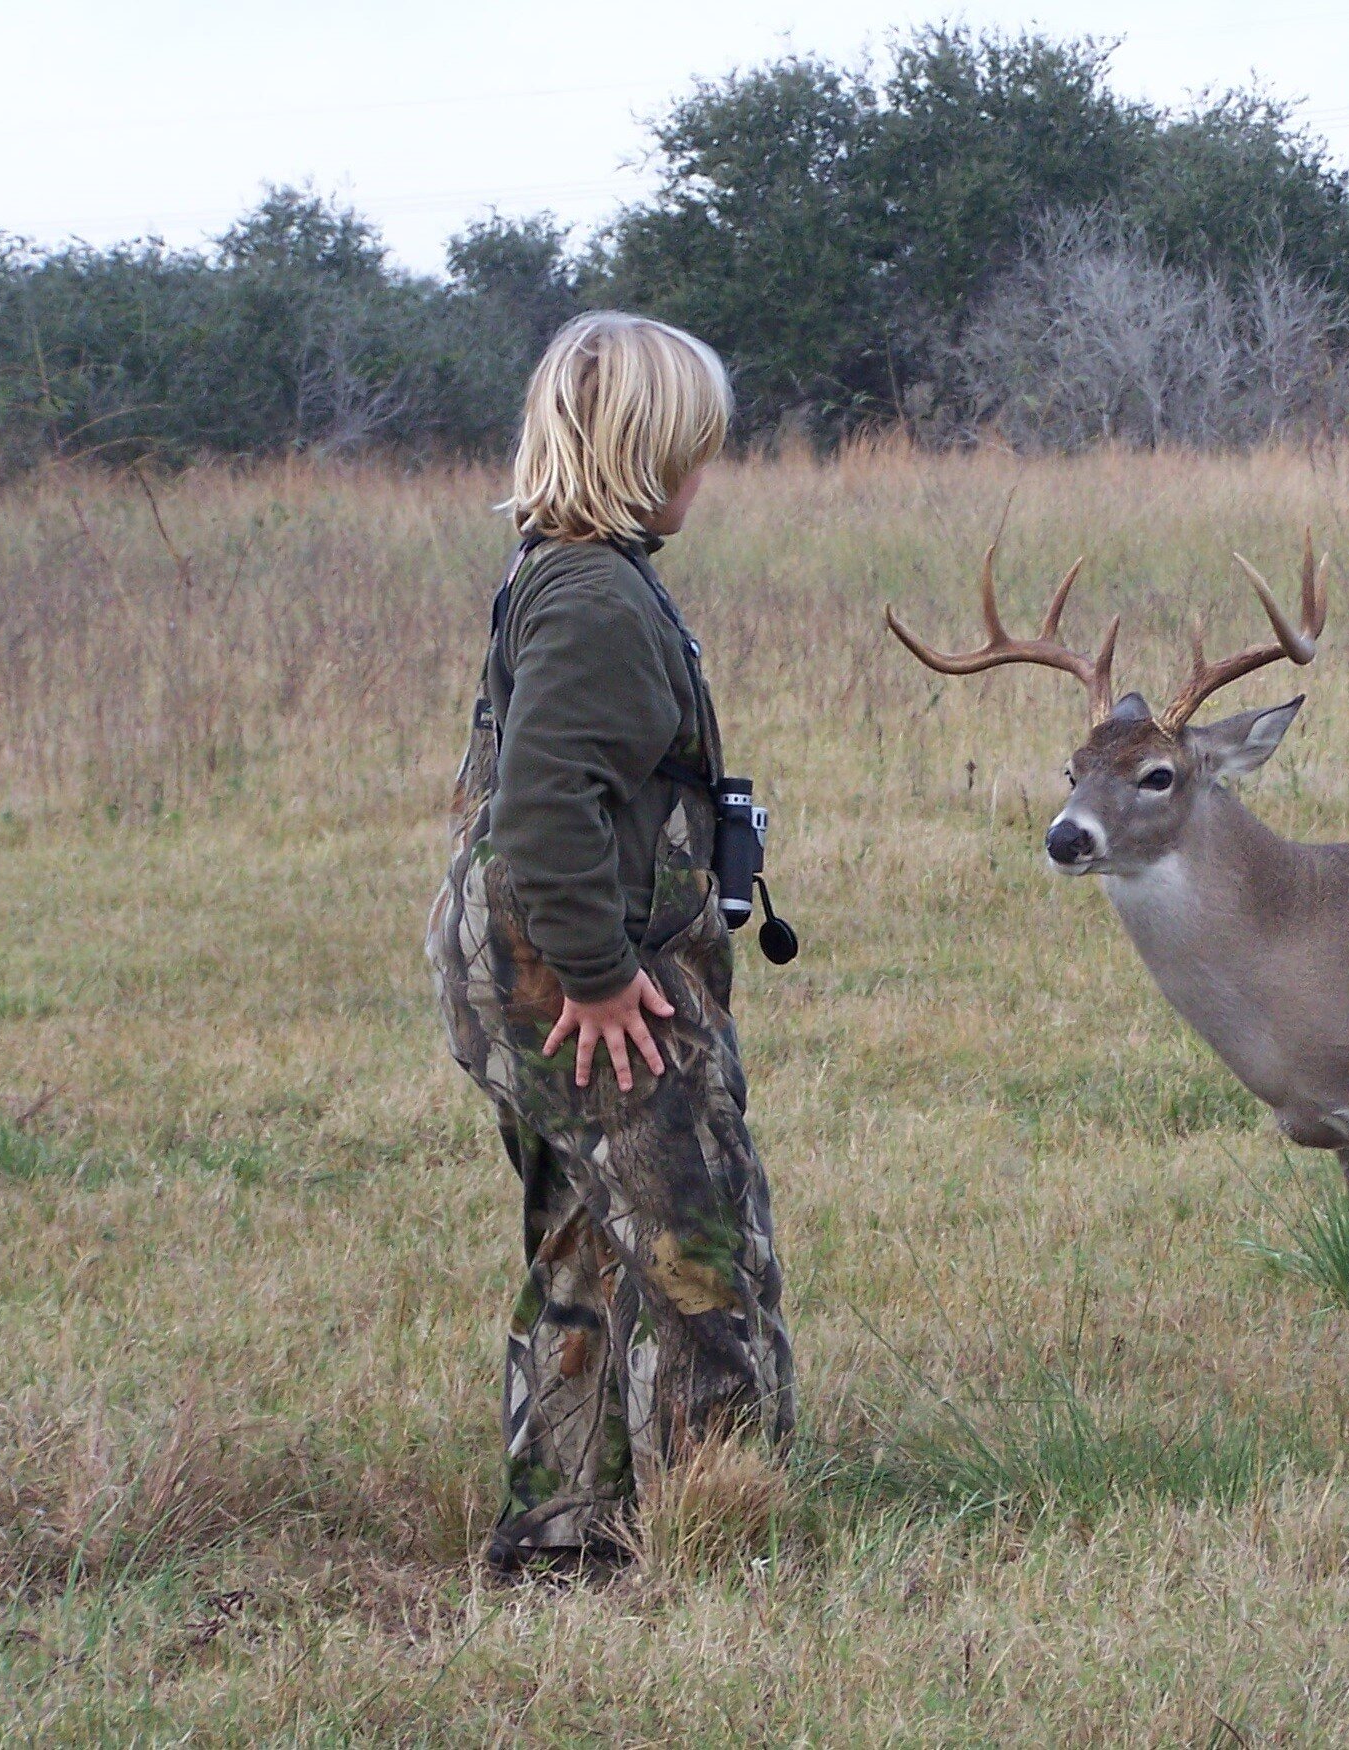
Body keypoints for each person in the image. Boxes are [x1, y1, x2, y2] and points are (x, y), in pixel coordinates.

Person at [428, 311, 794, 1576]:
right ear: (644, 453)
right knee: (695, 1244)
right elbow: (541, 806)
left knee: (584, 1237)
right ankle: (720, 1534)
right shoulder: (591, 594)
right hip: (570, 971)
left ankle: (565, 1538)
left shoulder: (559, 569)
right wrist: (594, 970)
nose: (709, 470)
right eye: (696, 447)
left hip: (526, 963)